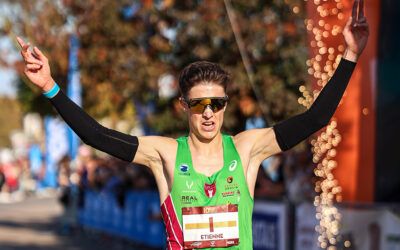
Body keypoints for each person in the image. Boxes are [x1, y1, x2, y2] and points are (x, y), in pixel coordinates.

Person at [17, 0, 369, 248]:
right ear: (184, 106)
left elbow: (316, 118)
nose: (208, 112)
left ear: (225, 106)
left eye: (216, 103)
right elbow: (96, 136)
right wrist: (51, 87)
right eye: (199, 104)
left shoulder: (246, 149)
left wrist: (350, 54)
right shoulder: (166, 154)